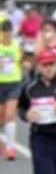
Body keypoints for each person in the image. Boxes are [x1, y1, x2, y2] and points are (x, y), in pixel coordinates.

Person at [0, 19, 22, 162]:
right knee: (1, 116)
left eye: (9, 31)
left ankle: (10, 148)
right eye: (4, 32)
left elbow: (20, 60)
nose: (7, 34)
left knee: (10, 114)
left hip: (14, 82)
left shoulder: (16, 45)